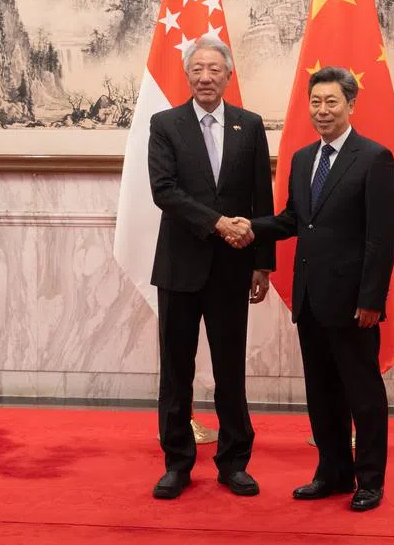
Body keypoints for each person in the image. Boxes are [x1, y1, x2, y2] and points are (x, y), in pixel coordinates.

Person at [238, 65, 394, 512]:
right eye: (315, 102)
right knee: (322, 392)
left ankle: (370, 480)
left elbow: (382, 237)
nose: (322, 110)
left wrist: (372, 299)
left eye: (331, 102)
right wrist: (249, 226)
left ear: (351, 104)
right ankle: (332, 472)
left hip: (353, 304)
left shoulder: (374, 158)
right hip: (310, 299)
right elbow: (294, 220)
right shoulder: (303, 158)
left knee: (363, 394)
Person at [147, 36, 274, 500]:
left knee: (230, 370)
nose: (205, 77)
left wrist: (263, 263)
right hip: (180, 267)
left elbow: (262, 196)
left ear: (228, 75)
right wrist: (218, 223)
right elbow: (164, 191)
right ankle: (177, 463)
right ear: (187, 74)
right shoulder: (166, 124)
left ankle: (234, 463)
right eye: (197, 69)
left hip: (233, 269)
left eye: (214, 70)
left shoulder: (250, 125)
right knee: (176, 370)